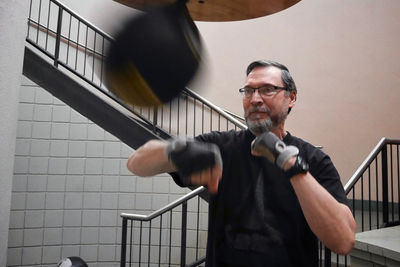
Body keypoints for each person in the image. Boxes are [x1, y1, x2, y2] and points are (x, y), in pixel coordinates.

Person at [127, 60, 356, 267]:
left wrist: (291, 164)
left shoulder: (314, 160)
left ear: (291, 98)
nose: (255, 99)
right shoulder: (221, 146)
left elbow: (343, 242)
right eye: (248, 91)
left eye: (267, 89)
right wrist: (176, 149)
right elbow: (136, 164)